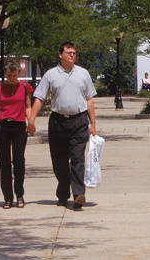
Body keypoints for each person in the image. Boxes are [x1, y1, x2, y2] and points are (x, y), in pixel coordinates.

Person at [26, 41, 97, 210]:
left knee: (78, 159)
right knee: (59, 162)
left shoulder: (83, 74)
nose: (72, 55)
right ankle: (63, 193)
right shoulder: (50, 75)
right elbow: (40, 98)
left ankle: (79, 194)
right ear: (60, 55)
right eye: (68, 52)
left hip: (79, 121)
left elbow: (89, 99)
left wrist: (93, 123)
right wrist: (31, 121)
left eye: (74, 53)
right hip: (58, 121)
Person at [0, 58, 33, 208]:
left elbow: (28, 107)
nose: (11, 79)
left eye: (14, 75)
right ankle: (7, 198)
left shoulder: (25, 87)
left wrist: (30, 122)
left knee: (18, 161)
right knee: (4, 164)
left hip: (19, 127)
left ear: (18, 73)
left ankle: (19, 194)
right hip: (3, 127)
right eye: (8, 76)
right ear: (4, 74)